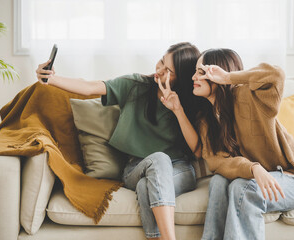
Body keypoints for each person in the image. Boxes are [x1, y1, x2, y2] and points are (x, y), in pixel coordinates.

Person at [36, 42, 201, 240]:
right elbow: (90, 87)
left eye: (169, 71)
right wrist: (52, 79)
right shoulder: (136, 86)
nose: (159, 70)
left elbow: (197, 151)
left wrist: (177, 110)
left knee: (145, 186)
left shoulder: (191, 100)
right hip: (136, 168)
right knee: (158, 160)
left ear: (182, 77)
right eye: (161, 62)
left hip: (179, 169)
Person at [158, 48, 294, 240]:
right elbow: (216, 161)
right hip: (264, 172)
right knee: (219, 181)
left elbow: (276, 75)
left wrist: (228, 78)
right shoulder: (206, 120)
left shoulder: (249, 97)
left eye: (201, 72)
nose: (194, 76)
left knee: (243, 189)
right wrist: (254, 169)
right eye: (195, 71)